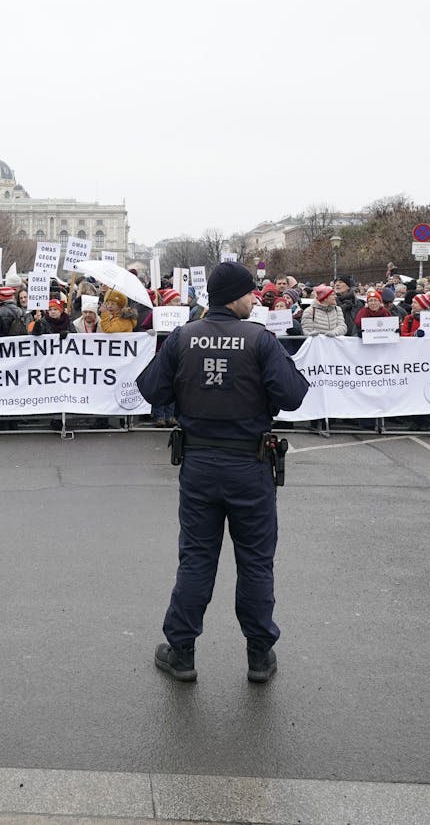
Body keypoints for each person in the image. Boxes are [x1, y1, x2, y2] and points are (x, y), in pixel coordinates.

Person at [136, 261, 309, 684]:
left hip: (199, 464)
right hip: (249, 465)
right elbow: (293, 396)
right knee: (255, 561)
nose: (256, 299)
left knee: (196, 558)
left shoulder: (182, 338)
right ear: (234, 296)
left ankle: (181, 651)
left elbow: (150, 389)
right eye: (251, 292)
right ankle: (258, 654)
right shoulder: (260, 340)